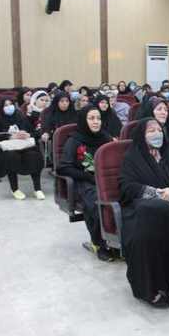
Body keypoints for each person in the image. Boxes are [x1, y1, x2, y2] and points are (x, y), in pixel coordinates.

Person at [119, 118, 169, 309]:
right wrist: (157, 193)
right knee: (148, 218)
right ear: (141, 136)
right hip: (141, 207)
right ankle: (152, 286)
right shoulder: (132, 157)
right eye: (151, 131)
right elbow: (127, 187)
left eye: (159, 130)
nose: (157, 134)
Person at [57, 106, 115, 262]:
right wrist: (88, 177)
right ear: (84, 120)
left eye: (98, 118)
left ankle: (118, 240)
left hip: (105, 180)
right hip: (84, 181)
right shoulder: (74, 140)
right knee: (96, 202)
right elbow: (63, 167)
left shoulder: (106, 138)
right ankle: (99, 243)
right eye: (91, 118)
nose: (96, 122)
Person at [0, 97, 45, 200]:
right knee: (11, 157)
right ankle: (15, 189)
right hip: (9, 147)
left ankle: (37, 189)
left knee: (34, 155)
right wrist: (10, 136)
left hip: (24, 145)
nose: (9, 107)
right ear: (1, 107)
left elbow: (33, 131)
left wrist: (27, 134)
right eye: (6, 105)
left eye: (10, 104)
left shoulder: (20, 115)